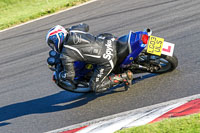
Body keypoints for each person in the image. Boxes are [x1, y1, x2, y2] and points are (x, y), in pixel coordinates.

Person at [46, 23, 133, 93]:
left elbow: (70, 75)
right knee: (100, 36)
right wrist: (70, 29)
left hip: (107, 59)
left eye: (52, 43)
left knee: (95, 86)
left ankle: (124, 76)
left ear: (57, 39)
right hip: (109, 41)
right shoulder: (75, 30)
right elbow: (85, 26)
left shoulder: (66, 54)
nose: (53, 46)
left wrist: (62, 75)